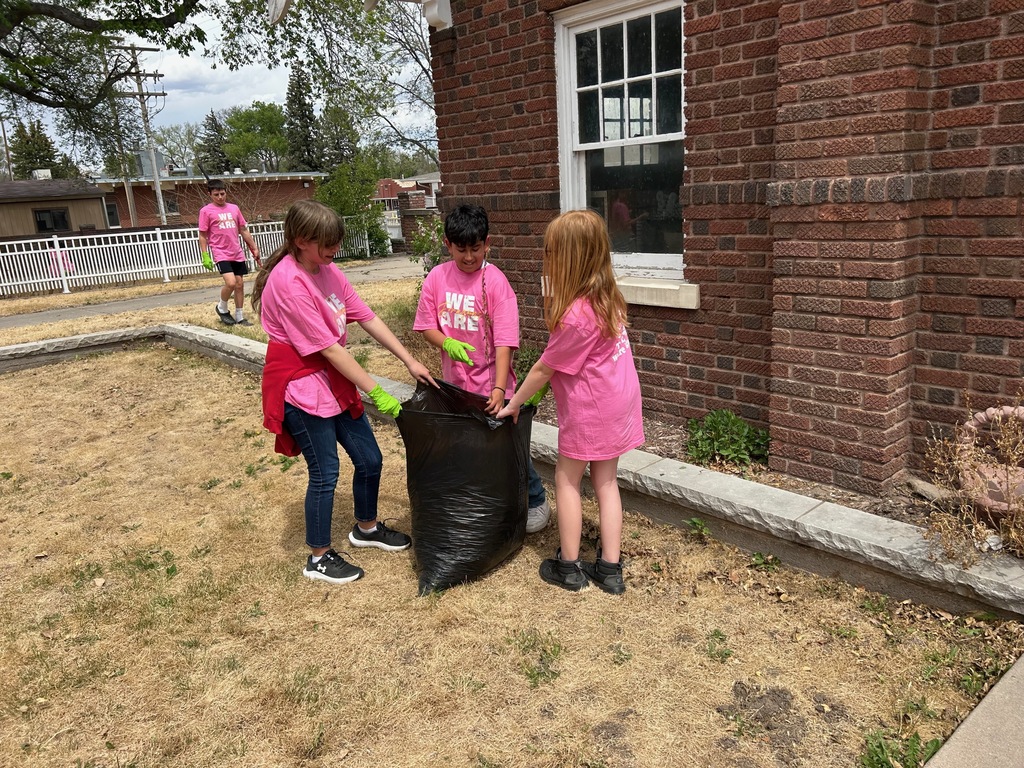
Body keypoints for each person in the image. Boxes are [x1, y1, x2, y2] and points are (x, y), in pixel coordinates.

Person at [252, 199, 437, 585]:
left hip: (332, 378)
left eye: (336, 243)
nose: (334, 252)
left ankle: (365, 529)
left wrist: (408, 360)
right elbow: (331, 349)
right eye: (327, 244)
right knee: (325, 472)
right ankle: (318, 557)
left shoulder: (327, 270)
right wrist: (377, 391)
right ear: (301, 240)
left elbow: (364, 315)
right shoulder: (289, 283)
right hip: (300, 385)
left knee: (369, 458)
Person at [496, 209, 644, 595]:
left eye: (551, 253)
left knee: (566, 478)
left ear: (569, 259)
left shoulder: (576, 314)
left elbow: (545, 368)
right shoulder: (608, 297)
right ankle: (610, 569)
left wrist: (514, 404)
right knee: (607, 481)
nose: (547, 259)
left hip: (591, 410)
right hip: (618, 402)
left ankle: (569, 564)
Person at [413, 204, 551, 533]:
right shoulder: (437, 278)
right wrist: (445, 343)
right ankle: (487, 500)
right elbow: (425, 325)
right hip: (456, 386)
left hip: (492, 387)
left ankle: (536, 500)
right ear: (448, 244)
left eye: (476, 249)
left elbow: (505, 342)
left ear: (487, 243)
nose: (470, 257)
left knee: (507, 447)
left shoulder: (496, 283)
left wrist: (500, 390)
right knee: (469, 449)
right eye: (461, 250)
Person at [199, 179, 261, 327]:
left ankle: (239, 316)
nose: (220, 197)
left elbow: (243, 230)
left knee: (239, 284)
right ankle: (222, 307)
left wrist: (254, 247)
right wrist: (205, 254)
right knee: (231, 283)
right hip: (220, 252)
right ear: (210, 195)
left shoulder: (234, 208)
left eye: (222, 193)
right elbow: (202, 235)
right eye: (216, 195)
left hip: (236, 252)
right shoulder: (206, 211)